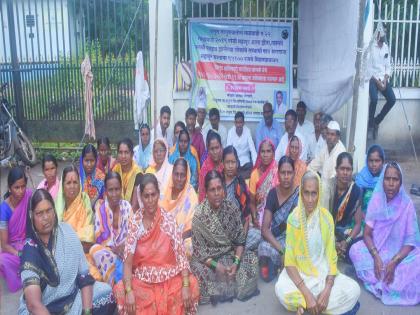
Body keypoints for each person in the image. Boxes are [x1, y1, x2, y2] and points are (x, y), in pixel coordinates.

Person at [276, 171, 361, 315]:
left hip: (322, 277)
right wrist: (307, 294)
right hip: (300, 277)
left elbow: (332, 258)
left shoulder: (326, 219)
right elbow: (289, 262)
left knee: (354, 290)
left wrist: (327, 290)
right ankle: (313, 304)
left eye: (314, 193)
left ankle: (306, 306)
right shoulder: (293, 219)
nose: (309, 199)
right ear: (301, 193)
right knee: (281, 289)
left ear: (319, 194)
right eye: (306, 193)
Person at [19, 189, 116, 315]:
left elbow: (84, 275)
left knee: (106, 292)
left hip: (73, 298)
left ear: (54, 211)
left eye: (49, 210)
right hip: (44, 308)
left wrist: (87, 312)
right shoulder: (30, 251)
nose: (46, 217)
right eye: (40, 213)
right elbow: (33, 304)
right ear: (32, 216)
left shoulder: (67, 231)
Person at [113, 174, 199, 314]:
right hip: (143, 281)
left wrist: (184, 284)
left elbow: (181, 256)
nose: (150, 200)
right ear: (141, 197)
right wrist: (129, 291)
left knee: (192, 284)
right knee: (120, 290)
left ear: (158, 195)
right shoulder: (135, 223)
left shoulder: (168, 220)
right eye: (146, 196)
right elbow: (128, 263)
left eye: (153, 195)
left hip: (169, 278)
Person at [350, 162, 420, 305]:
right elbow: (367, 234)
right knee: (355, 250)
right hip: (378, 251)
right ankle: (390, 281)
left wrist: (394, 261)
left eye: (395, 179)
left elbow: (411, 242)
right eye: (387, 179)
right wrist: (375, 256)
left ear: (400, 182)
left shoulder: (407, 205)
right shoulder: (376, 201)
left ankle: (384, 280)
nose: (391, 183)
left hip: (400, 255)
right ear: (383, 181)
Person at [191, 170, 259, 305]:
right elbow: (199, 252)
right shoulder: (199, 215)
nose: (216, 193)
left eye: (219, 188)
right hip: (210, 262)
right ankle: (228, 288)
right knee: (196, 270)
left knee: (252, 260)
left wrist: (236, 262)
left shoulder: (231, 207)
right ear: (206, 192)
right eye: (212, 190)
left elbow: (240, 240)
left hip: (230, 256)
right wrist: (217, 266)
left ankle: (230, 288)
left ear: (223, 188)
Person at [55, 165, 101, 280]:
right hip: (63, 254)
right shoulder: (58, 206)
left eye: (75, 182)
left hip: (83, 252)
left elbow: (89, 234)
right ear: (62, 185)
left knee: (94, 275)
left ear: (79, 184)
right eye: (68, 183)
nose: (72, 187)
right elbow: (55, 237)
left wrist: (74, 242)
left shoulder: (84, 201)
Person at [259, 156, 299, 282]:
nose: (286, 176)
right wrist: (283, 251)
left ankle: (284, 267)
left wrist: (290, 250)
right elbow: (265, 230)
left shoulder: (300, 194)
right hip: (278, 242)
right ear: (278, 173)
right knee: (263, 247)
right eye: (283, 173)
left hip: (295, 241)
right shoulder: (272, 193)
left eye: (289, 173)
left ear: (294, 173)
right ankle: (281, 266)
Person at [89, 172, 132, 286]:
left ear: (121, 189)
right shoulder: (101, 208)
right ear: (106, 191)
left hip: (125, 251)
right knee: (94, 249)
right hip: (109, 252)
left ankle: (121, 277)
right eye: (110, 190)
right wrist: (115, 249)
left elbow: (133, 234)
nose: (114, 194)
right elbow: (99, 238)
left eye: (117, 189)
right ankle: (115, 282)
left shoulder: (127, 206)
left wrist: (123, 247)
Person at [0, 167, 31, 292]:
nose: (21, 191)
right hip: (13, 248)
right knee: (3, 260)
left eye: (23, 186)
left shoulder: (28, 196)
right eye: (16, 188)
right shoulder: (4, 209)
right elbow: (4, 244)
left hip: (28, 240)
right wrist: (19, 254)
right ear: (9, 187)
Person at [159, 158, 198, 258]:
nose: (179, 179)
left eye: (182, 175)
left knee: (189, 246)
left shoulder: (190, 194)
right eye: (176, 174)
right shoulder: (164, 191)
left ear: (187, 176)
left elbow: (191, 227)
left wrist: (176, 240)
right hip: (163, 236)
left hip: (183, 237)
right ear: (172, 174)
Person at [327, 152, 362, 260]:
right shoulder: (328, 187)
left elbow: (357, 224)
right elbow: (321, 219)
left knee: (358, 246)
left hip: (344, 234)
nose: (345, 173)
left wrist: (346, 242)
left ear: (352, 171)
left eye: (348, 169)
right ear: (336, 170)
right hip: (326, 231)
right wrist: (332, 242)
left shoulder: (356, 191)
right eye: (342, 169)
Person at [309, 121, 346, 207]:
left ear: (338, 137)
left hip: (336, 190)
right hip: (323, 188)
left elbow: (334, 179)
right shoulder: (326, 147)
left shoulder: (340, 151)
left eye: (332, 134)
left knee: (324, 187)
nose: (329, 137)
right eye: (328, 134)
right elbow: (313, 166)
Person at [367, 28, 396, 138]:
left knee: (392, 100)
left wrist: (385, 80)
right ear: (378, 34)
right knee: (374, 99)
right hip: (372, 79)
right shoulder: (371, 48)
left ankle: (376, 121)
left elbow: (388, 67)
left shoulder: (386, 47)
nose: (385, 34)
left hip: (383, 78)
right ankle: (370, 125)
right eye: (383, 32)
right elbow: (368, 69)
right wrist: (377, 82)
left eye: (386, 32)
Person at [222, 146, 252, 244]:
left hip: (239, 230)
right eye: (227, 162)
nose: (230, 166)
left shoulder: (240, 183)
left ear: (237, 163)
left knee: (258, 236)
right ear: (223, 163)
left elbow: (246, 216)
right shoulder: (217, 183)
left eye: (233, 162)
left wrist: (242, 238)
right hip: (221, 233)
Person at [249, 139, 279, 228]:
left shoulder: (278, 171)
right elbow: (252, 202)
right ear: (259, 154)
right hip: (259, 216)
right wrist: (255, 218)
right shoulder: (254, 174)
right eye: (262, 151)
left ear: (273, 153)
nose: (265, 155)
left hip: (275, 217)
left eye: (268, 151)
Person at [355, 144, 385, 220]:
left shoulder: (387, 177)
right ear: (366, 161)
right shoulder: (362, 177)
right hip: (363, 217)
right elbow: (358, 202)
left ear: (383, 161)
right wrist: (361, 214)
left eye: (377, 161)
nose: (373, 164)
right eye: (371, 161)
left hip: (383, 217)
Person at [226, 111, 257, 179]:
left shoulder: (247, 131)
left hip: (246, 163)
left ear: (243, 123)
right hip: (235, 163)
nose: (239, 125)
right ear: (234, 123)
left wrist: (255, 166)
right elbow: (228, 150)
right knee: (231, 170)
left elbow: (252, 149)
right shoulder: (230, 132)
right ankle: (240, 176)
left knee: (251, 169)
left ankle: (238, 177)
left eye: (240, 122)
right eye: (237, 122)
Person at [112, 138, 142, 203]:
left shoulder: (138, 173)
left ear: (132, 154)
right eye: (120, 152)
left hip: (132, 210)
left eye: (126, 152)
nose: (123, 156)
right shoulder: (115, 170)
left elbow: (135, 204)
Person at [198, 131, 224, 202]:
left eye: (217, 148)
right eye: (212, 149)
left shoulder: (226, 162)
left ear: (221, 147)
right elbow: (202, 194)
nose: (215, 152)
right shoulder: (205, 168)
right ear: (208, 150)